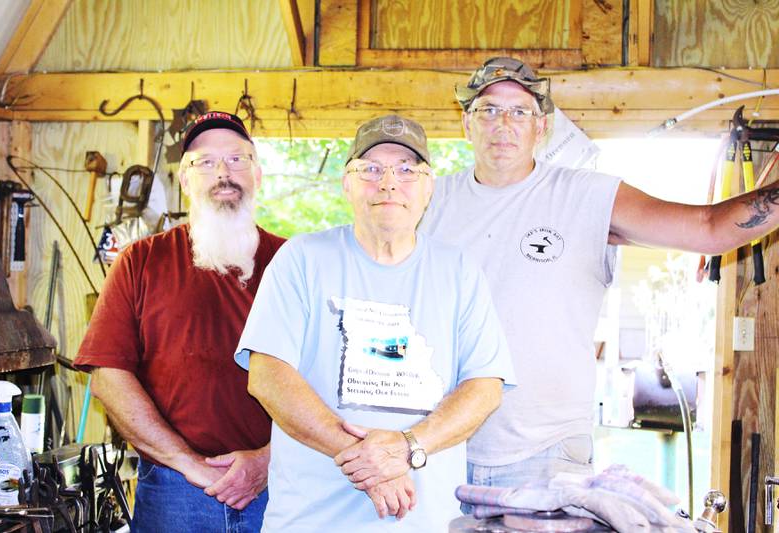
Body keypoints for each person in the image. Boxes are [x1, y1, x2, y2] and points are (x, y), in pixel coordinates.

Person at [419, 56, 779, 490]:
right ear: (466, 124)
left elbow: (708, 229)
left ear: (542, 127)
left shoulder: (586, 197)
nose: (503, 123)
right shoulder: (426, 201)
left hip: (544, 452)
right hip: (435, 444)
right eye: (488, 110)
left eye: (520, 111)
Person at [234, 114, 516, 532]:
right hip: (311, 522)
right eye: (370, 169)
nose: (388, 183)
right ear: (346, 183)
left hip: (427, 522)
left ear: (428, 187)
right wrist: (373, 462)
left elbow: (485, 386)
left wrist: (407, 448)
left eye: (407, 170)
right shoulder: (301, 259)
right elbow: (268, 376)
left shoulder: (458, 270)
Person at [74, 111, 285, 532]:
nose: (223, 173)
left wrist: (267, 459)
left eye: (237, 159)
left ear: (258, 175)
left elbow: (326, 381)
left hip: (279, 487)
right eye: (204, 162)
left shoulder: (293, 263)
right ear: (185, 181)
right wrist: (189, 465)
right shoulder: (140, 262)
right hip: (174, 490)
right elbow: (108, 379)